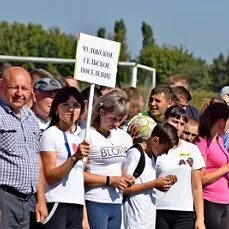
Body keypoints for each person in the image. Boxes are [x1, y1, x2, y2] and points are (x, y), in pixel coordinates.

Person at [0, 66, 47, 228]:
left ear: (31, 91)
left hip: (27, 202)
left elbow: (37, 160)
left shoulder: (30, 118)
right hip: (4, 198)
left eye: (25, 88)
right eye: (14, 87)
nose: (20, 93)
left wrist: (41, 201)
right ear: (1, 87)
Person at [83, 88, 134, 229]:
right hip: (95, 200)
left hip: (116, 202)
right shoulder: (87, 135)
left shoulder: (124, 137)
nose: (116, 124)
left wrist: (126, 178)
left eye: (120, 120)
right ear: (101, 112)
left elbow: (122, 169)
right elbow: (77, 175)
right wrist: (110, 180)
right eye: (113, 119)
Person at [40, 86, 90, 228]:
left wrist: (84, 216)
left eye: (76, 105)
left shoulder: (80, 138)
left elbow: (78, 180)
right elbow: (50, 176)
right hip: (57, 202)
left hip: (77, 206)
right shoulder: (50, 135)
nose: (71, 109)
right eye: (65, 105)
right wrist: (74, 158)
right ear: (56, 109)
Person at [156, 105, 205, 229]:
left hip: (184, 212)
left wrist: (200, 219)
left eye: (182, 124)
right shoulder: (155, 146)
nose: (178, 127)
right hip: (158, 208)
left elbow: (197, 187)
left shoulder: (192, 149)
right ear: (164, 119)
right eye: (174, 121)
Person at [122, 122, 179, 229]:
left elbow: (145, 183)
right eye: (165, 149)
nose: (166, 153)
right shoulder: (135, 153)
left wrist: (162, 184)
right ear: (155, 140)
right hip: (133, 220)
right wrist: (154, 184)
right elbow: (124, 188)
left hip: (147, 219)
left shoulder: (152, 156)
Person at [195, 102, 229, 229]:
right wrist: (226, 168)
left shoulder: (219, 140)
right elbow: (200, 179)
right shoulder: (201, 142)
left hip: (225, 201)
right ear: (221, 121)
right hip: (210, 201)